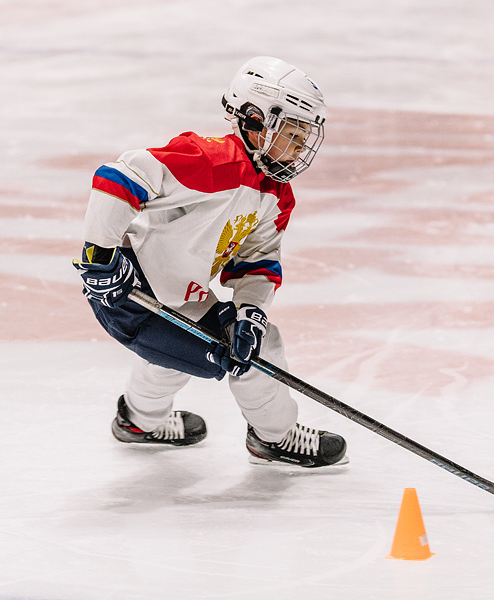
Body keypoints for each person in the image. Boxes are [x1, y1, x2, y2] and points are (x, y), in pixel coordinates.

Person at [73, 56, 346, 468]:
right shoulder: (211, 161)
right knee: (259, 350)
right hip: (130, 290)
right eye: (291, 133)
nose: (299, 147)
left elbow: (257, 261)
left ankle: (139, 422)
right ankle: (276, 437)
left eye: (304, 135)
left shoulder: (275, 195)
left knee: (191, 347)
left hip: (174, 295)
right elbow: (118, 177)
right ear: (255, 120)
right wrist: (100, 258)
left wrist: (250, 310)